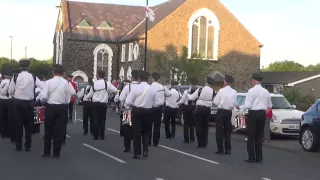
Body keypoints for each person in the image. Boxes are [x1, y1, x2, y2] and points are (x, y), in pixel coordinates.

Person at [39, 64, 76, 158]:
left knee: (48, 130)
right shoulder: (66, 82)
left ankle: (46, 152)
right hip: (62, 108)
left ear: (53, 72)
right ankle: (56, 153)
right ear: (63, 73)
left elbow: (43, 96)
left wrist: (44, 102)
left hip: (50, 107)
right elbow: (73, 93)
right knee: (59, 131)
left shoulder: (48, 82)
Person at [8, 59, 44, 152]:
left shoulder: (15, 77)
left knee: (18, 125)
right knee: (28, 125)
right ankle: (28, 145)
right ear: (28, 67)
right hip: (29, 103)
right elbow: (43, 87)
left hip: (18, 103)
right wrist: (37, 97)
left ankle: (18, 146)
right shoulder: (33, 77)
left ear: (20, 67)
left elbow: (10, 91)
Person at [237, 72, 272, 163]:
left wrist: (239, 107)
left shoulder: (251, 91)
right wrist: (264, 113)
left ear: (254, 80)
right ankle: (259, 157)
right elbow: (270, 106)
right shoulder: (266, 92)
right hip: (262, 114)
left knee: (251, 136)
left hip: (253, 113)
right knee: (259, 136)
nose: (252, 81)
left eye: (252, 80)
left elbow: (247, 105)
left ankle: (251, 157)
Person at [125, 71, 156, 159]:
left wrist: (131, 106)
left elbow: (128, 101)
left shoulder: (135, 89)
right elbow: (155, 101)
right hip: (148, 112)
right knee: (146, 132)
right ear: (147, 79)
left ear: (139, 79)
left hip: (137, 112)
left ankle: (137, 153)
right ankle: (145, 151)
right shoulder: (152, 89)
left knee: (137, 133)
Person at [86, 71, 117, 140]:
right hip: (103, 105)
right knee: (102, 120)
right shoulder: (107, 84)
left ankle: (96, 135)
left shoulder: (94, 84)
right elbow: (116, 90)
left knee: (95, 120)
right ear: (104, 76)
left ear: (97, 76)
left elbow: (90, 95)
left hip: (95, 104)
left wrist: (86, 97)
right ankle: (102, 135)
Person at [187, 76, 215, 148]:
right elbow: (214, 101)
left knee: (199, 126)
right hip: (208, 109)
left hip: (200, 109)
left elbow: (191, 97)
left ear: (206, 82)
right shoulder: (213, 91)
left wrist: (187, 93)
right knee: (205, 126)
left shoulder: (200, 89)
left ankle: (200, 143)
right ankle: (205, 143)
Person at [213, 75, 237, 155]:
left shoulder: (221, 91)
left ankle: (220, 149)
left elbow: (215, 102)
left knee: (219, 131)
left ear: (225, 82)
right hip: (228, 112)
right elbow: (234, 104)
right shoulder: (234, 92)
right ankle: (228, 149)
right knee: (227, 131)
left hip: (221, 111)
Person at [116, 70, 140, 152]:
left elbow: (121, 98)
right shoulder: (142, 87)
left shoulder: (128, 87)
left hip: (127, 110)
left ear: (132, 77)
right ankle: (137, 148)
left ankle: (127, 147)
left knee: (127, 129)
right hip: (138, 111)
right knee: (137, 129)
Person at [149, 72, 170, 146]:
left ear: (152, 78)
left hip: (151, 108)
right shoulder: (162, 87)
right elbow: (168, 94)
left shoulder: (150, 87)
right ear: (159, 79)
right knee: (157, 126)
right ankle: (156, 142)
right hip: (159, 108)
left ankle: (148, 141)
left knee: (149, 125)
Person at [177, 77, 198, 143]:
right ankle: (192, 138)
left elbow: (182, 100)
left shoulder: (186, 91)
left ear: (190, 83)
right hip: (193, 107)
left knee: (186, 124)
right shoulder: (197, 91)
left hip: (186, 108)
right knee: (191, 124)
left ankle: (186, 139)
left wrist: (177, 103)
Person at [0, 67, 12, 139]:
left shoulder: (1, 83)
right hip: (9, 101)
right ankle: (8, 133)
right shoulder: (12, 82)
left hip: (1, 100)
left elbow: (2, 93)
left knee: (2, 118)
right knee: (9, 117)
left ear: (4, 75)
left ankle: (3, 133)